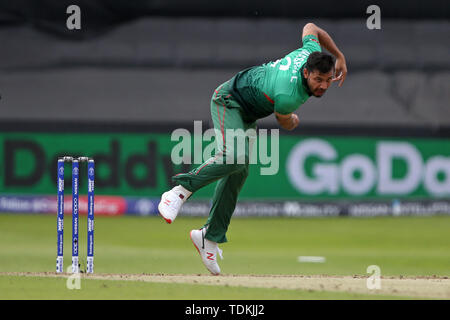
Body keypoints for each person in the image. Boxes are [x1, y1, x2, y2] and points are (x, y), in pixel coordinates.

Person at [158, 22, 347, 275]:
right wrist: (293, 120)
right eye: (318, 80)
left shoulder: (310, 51)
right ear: (305, 74)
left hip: (248, 112)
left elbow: (311, 27)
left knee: (239, 171)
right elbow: (284, 120)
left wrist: (340, 56)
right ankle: (179, 191)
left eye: (327, 80)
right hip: (229, 100)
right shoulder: (289, 95)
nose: (323, 86)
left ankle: (208, 237)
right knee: (235, 157)